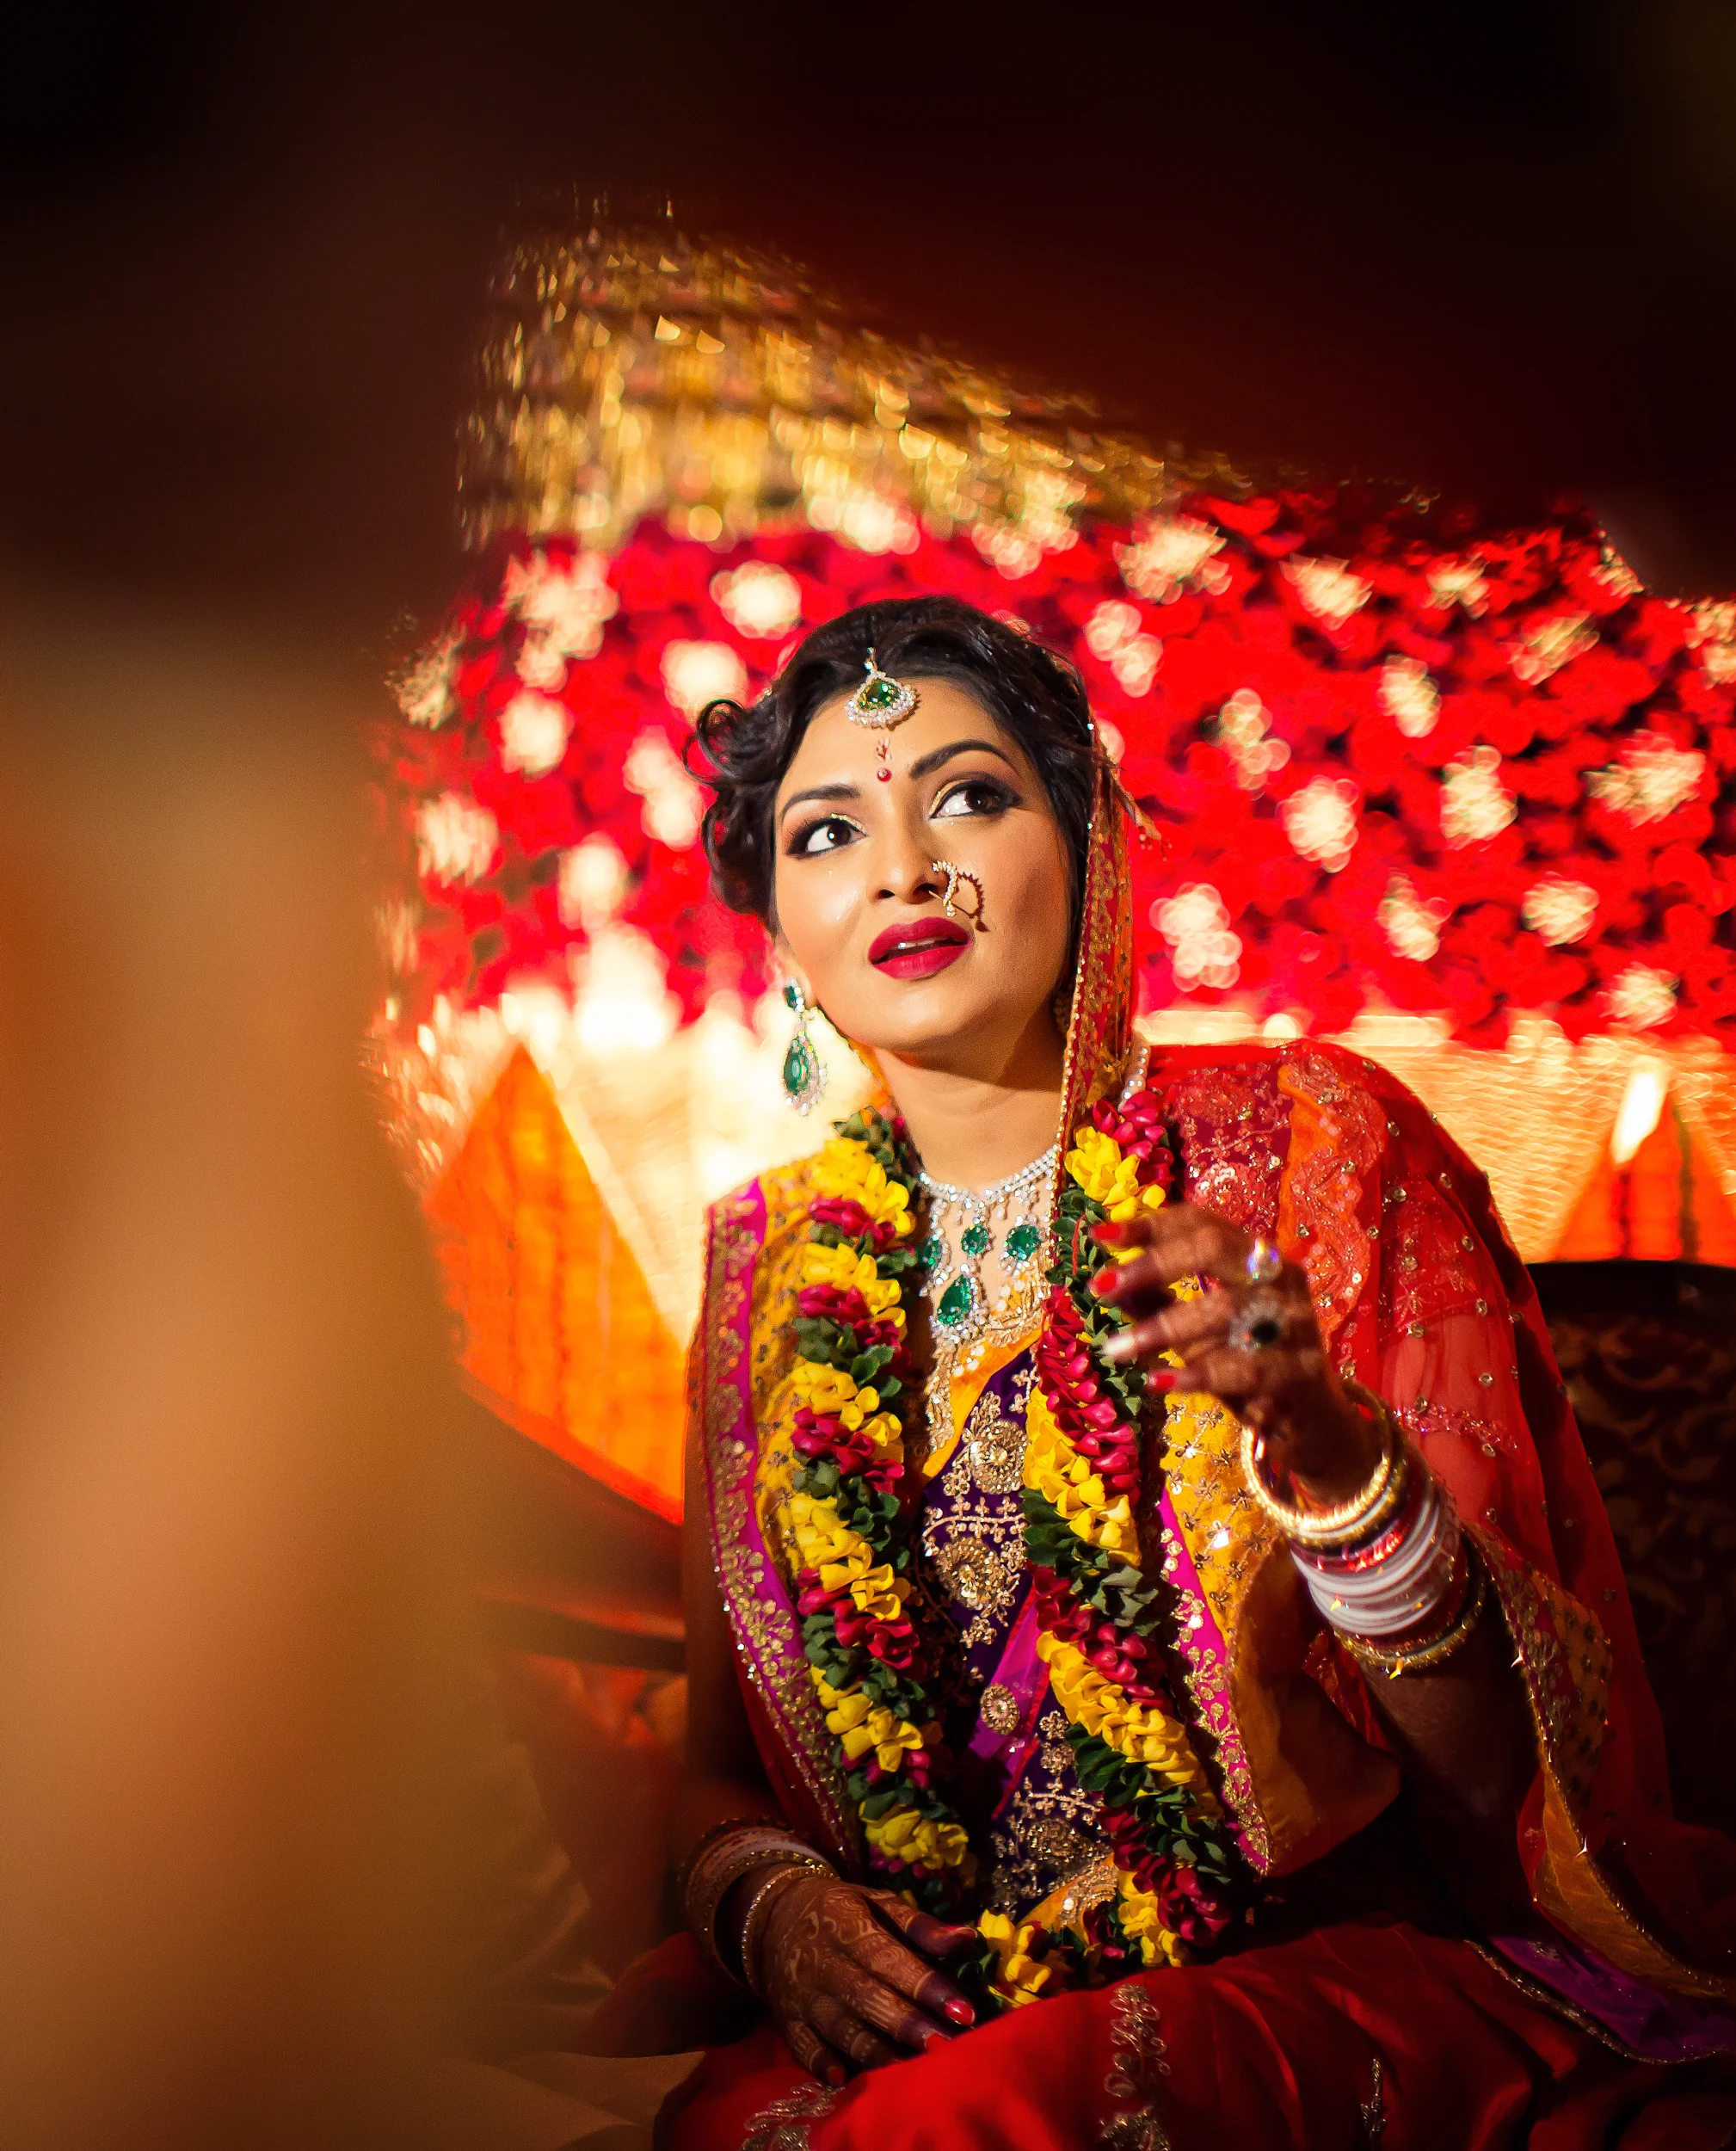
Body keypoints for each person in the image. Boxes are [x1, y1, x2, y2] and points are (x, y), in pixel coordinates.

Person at [650, 595, 1736, 2148]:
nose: (903, 867)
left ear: (1087, 846)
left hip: (1314, 1967)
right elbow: (702, 1782)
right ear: (776, 927)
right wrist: (772, 1917)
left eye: (968, 794)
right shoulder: (759, 1275)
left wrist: (1326, 1453)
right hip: (934, 2008)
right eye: (826, 831)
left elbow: (1499, 1791)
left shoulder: (1316, 1148)